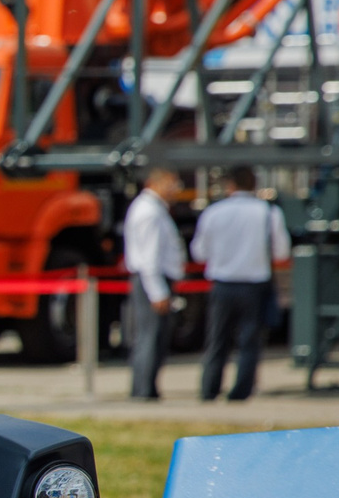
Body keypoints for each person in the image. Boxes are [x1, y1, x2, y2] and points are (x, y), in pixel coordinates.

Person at [189, 165, 292, 402]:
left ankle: (209, 388)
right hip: (254, 284)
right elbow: (281, 251)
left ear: (230, 185)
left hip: (223, 284)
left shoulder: (213, 212)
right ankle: (241, 391)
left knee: (217, 339)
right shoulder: (268, 212)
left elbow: (199, 252)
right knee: (250, 341)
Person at [122, 169, 186, 399]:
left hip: (153, 280)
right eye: (171, 184)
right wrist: (157, 291)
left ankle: (146, 388)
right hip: (152, 280)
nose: (175, 190)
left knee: (153, 337)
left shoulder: (153, 209)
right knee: (149, 338)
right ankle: (143, 391)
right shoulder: (149, 212)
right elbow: (149, 258)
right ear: (155, 183)